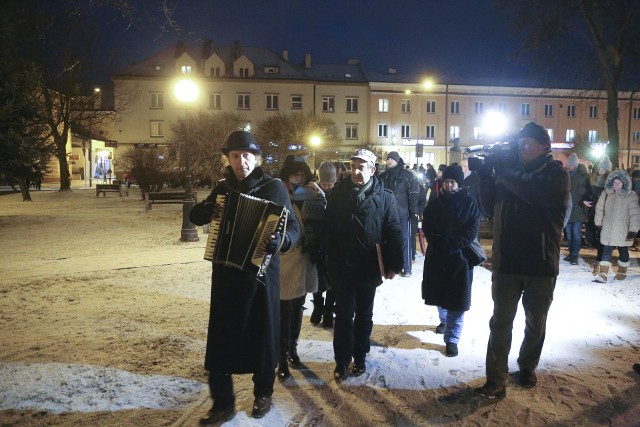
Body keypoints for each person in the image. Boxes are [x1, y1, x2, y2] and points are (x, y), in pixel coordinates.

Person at [189, 130, 300, 424]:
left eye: (247, 156)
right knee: (222, 339)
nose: (241, 162)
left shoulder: (274, 188)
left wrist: (281, 243)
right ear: (228, 159)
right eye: (235, 156)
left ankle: (263, 393)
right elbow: (196, 217)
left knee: (263, 337)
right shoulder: (223, 189)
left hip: (261, 278)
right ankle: (222, 404)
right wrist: (206, 208)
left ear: (257, 158)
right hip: (226, 275)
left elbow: (293, 230)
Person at [469, 122, 569, 399]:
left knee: (535, 322)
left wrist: (503, 171)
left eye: (527, 143)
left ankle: (527, 365)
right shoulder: (509, 173)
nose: (521, 148)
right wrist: (485, 178)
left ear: (544, 147)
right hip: (507, 263)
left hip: (540, 263)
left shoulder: (555, 175)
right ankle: (495, 378)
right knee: (500, 322)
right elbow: (489, 208)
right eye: (519, 143)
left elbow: (534, 193)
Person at [322, 148, 403, 380]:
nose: (357, 171)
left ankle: (360, 356)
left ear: (373, 169)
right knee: (344, 316)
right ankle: (341, 360)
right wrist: (327, 255)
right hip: (342, 266)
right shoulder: (338, 194)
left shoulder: (385, 197)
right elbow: (328, 227)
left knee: (364, 316)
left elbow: (394, 231)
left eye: (362, 167)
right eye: (354, 166)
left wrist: (394, 263)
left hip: (369, 266)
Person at [421, 164, 482, 357]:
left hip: (460, 258)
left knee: (457, 300)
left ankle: (452, 338)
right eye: (446, 181)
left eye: (452, 182)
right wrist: (439, 242)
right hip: (438, 255)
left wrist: (455, 244)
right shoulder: (435, 203)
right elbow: (428, 226)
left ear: (459, 184)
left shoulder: (469, 203)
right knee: (439, 295)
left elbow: (472, 229)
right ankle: (444, 320)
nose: (448, 185)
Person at [277, 155, 324, 380]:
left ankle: (292, 349)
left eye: (302, 174)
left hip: (306, 259)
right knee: (284, 310)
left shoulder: (315, 195)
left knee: (297, 309)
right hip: (286, 259)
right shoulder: (278, 194)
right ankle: (281, 356)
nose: (299, 178)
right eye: (294, 174)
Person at [593, 169, 640, 282]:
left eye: (619, 182)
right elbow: (599, 209)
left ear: (624, 183)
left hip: (623, 230)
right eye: (614, 182)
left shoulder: (631, 195)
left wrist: (633, 230)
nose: (616, 185)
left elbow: (635, 213)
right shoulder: (606, 193)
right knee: (606, 250)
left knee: (623, 251)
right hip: (608, 229)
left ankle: (622, 272)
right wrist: (598, 223)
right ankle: (603, 274)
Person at [379, 151, 420, 277]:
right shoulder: (383, 176)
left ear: (397, 160)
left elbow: (413, 194)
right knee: (387, 240)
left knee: (404, 240)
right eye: (388, 159)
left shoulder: (407, 175)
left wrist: (414, 211)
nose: (389, 161)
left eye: (392, 159)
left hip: (402, 213)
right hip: (386, 213)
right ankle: (389, 266)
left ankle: (407, 267)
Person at [310, 162, 338, 328]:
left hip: (333, 245)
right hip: (316, 242)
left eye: (330, 183)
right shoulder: (313, 193)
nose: (327, 186)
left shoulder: (340, 194)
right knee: (317, 278)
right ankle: (318, 306)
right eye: (325, 183)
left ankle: (329, 310)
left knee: (333, 280)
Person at [564, 154, 593, 265]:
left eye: (570, 165)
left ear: (575, 165)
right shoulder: (565, 175)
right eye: (567, 165)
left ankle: (575, 255)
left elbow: (589, 192)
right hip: (567, 208)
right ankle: (571, 253)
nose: (568, 167)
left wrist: (585, 201)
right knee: (569, 234)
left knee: (576, 233)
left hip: (579, 208)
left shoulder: (584, 176)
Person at [585, 156, 612, 273]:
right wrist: (583, 201)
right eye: (599, 168)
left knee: (602, 240)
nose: (600, 171)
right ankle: (599, 259)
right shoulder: (591, 180)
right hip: (591, 213)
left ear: (608, 171)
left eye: (603, 169)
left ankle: (599, 262)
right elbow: (585, 194)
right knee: (590, 237)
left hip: (604, 215)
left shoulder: (610, 184)